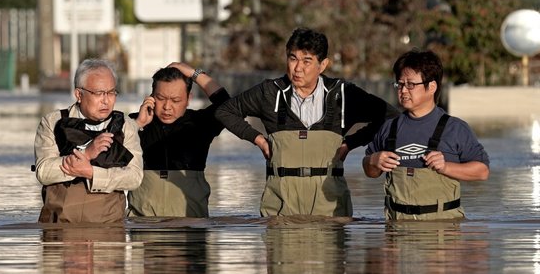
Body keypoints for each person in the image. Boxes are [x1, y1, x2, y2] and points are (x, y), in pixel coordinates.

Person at [215, 27, 398, 217]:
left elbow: (390, 116)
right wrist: (258, 140)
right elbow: (225, 111)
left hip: (330, 206)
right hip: (280, 206)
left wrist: (350, 143)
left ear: (323, 64)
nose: (297, 68)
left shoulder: (342, 94)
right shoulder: (270, 92)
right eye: (293, 58)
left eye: (307, 61)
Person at [362, 49, 490, 220]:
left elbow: (482, 172)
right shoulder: (388, 128)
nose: (403, 91)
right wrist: (373, 161)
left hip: (443, 233)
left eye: (411, 85)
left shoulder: (455, 128)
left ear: (432, 87)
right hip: (396, 232)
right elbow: (370, 172)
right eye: (400, 84)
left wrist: (446, 167)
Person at [34, 58, 143, 223]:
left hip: (109, 230)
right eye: (99, 93)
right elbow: (43, 172)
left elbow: (134, 177)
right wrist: (86, 154)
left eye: (111, 92)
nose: (106, 100)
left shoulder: (125, 125)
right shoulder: (53, 122)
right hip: (59, 229)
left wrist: (92, 173)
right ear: (79, 94)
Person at [127, 62, 230, 217]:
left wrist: (194, 73)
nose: (167, 107)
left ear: (189, 99)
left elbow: (228, 105)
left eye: (175, 100)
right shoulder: (135, 122)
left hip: (190, 228)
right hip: (144, 229)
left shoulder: (200, 123)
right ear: (151, 97)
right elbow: (111, 152)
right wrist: (137, 125)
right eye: (161, 98)